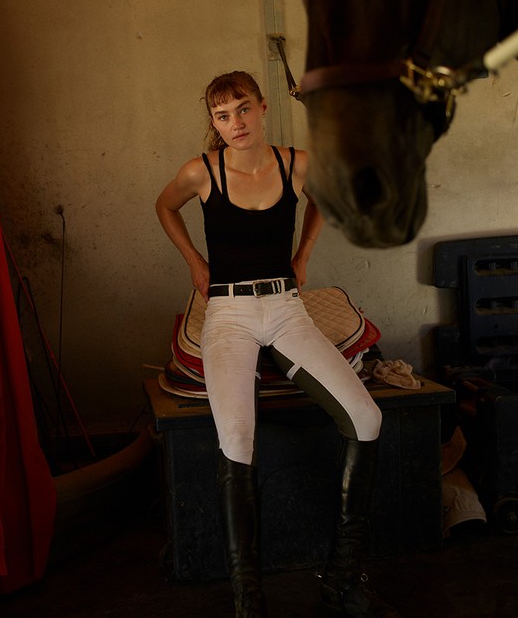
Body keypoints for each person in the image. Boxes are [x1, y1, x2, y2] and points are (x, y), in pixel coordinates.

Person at [155, 71, 400, 618]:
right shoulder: (201, 171)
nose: (235, 123)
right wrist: (195, 263)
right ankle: (250, 601)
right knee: (237, 439)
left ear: (263, 108)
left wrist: (304, 254)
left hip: (287, 307)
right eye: (223, 115)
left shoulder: (297, 164)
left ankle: (341, 579)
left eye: (243, 109)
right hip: (229, 313)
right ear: (214, 122)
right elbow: (163, 207)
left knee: (367, 418)